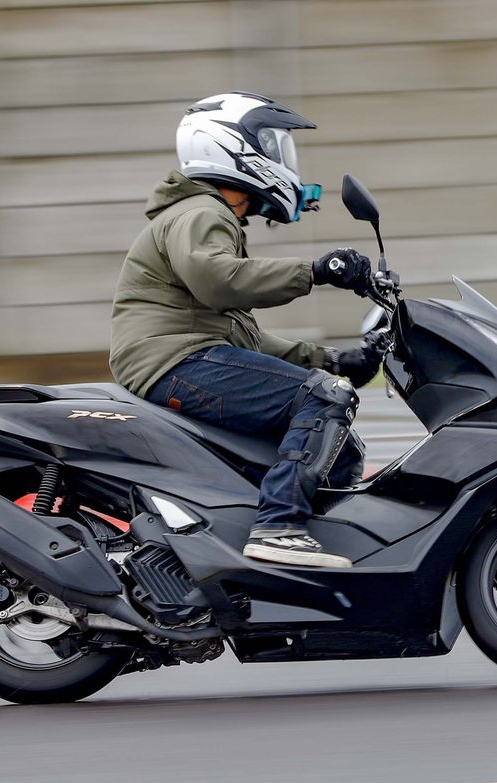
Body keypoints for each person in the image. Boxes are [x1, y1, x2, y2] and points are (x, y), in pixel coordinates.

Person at [110, 92, 381, 568]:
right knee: (325, 398)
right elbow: (219, 281)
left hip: (188, 359)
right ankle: (278, 527)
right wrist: (317, 270)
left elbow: (243, 339)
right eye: (273, 146)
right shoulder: (200, 213)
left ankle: (294, 554)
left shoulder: (206, 217)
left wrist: (330, 360)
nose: (282, 160)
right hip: (175, 363)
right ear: (231, 148)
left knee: (338, 446)